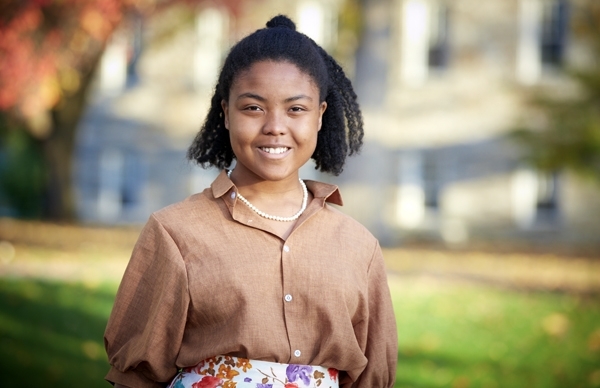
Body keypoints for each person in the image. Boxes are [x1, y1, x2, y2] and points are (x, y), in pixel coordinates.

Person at [104, 14, 397, 388]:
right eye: (253, 108)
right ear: (225, 113)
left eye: (296, 109)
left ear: (320, 116)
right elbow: (134, 377)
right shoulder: (175, 232)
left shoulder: (359, 246)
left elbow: (373, 379)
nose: (275, 126)